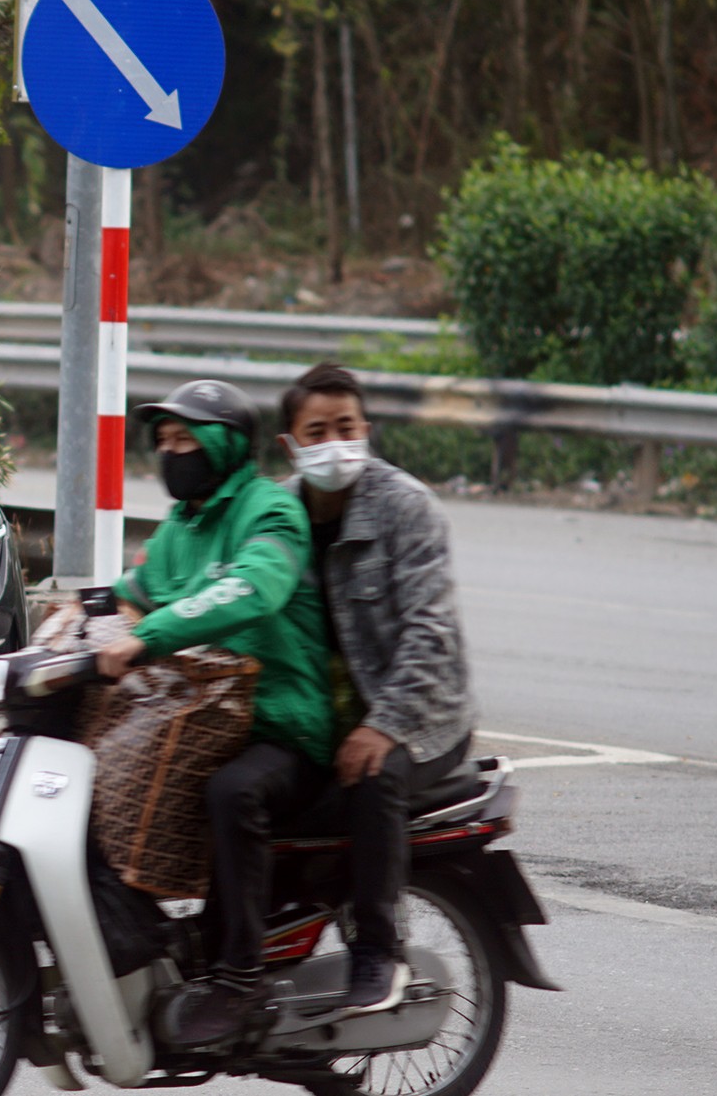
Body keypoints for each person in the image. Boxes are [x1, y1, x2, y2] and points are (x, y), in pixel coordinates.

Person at [91, 379, 332, 1047]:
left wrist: (147, 634)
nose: (171, 452)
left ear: (225, 445)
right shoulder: (182, 525)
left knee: (233, 791)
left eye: (185, 439)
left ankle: (241, 975)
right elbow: (131, 594)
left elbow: (251, 587)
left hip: (280, 721)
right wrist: (73, 627)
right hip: (203, 717)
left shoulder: (270, 514)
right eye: (164, 440)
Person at [277, 361, 474, 1017]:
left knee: (373, 776)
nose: (335, 442)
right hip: (326, 721)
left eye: (347, 426)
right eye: (318, 430)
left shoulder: (406, 508)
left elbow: (431, 634)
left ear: (367, 429)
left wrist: (383, 723)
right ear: (291, 444)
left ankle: (379, 951)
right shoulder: (278, 515)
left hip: (421, 721)